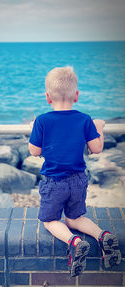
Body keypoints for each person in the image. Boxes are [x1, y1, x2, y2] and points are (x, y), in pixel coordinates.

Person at [29, 67, 121, 277]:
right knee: (74, 218)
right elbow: (96, 149)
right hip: (78, 180)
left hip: (54, 183)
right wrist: (100, 127)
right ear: (77, 96)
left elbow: (34, 151)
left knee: (50, 221)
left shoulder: (42, 121)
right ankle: (102, 234)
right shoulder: (85, 119)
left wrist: (35, 128)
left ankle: (75, 242)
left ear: (47, 97)